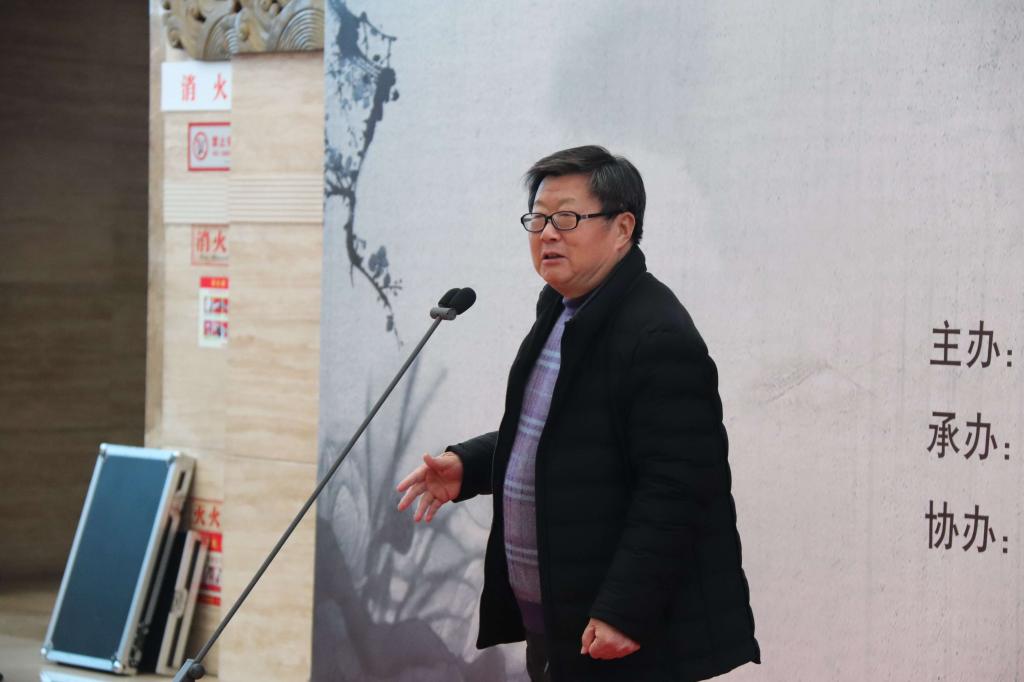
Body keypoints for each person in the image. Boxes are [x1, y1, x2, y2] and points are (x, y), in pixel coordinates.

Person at [397, 145, 760, 681]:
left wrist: (624, 611)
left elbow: (678, 487)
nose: (547, 234)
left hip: (621, 639)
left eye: (567, 218)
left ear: (622, 228)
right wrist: (470, 466)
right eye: (538, 218)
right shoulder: (561, 308)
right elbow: (560, 435)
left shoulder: (656, 334)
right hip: (558, 623)